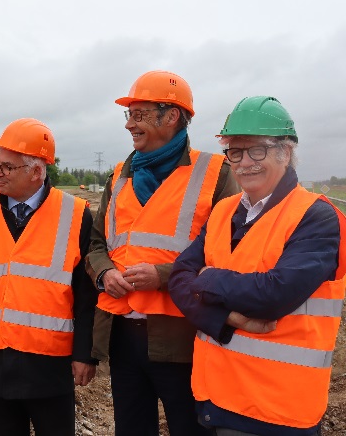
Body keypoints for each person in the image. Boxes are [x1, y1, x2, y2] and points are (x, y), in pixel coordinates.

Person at [168, 96, 345, 435]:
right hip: (215, 398)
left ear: (286, 152)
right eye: (235, 151)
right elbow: (178, 278)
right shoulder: (224, 211)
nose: (244, 162)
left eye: (257, 151)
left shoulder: (316, 217)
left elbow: (272, 296)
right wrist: (221, 318)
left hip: (277, 411)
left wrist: (209, 278)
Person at [85, 71, 239, 436]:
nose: (129, 125)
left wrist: (165, 276)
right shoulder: (120, 175)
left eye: (138, 114)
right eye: (128, 115)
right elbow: (96, 243)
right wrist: (105, 274)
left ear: (170, 116)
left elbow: (230, 252)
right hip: (123, 337)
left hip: (184, 337)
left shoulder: (215, 173)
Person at [0, 118, 97, 436]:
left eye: (7, 167)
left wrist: (85, 354)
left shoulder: (76, 214)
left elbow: (87, 295)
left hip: (50, 366)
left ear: (37, 171)